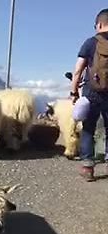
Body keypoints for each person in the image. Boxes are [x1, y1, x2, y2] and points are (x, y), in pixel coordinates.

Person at [71, 9, 108, 181]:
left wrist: (74, 92)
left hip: (92, 94)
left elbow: (78, 70)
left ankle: (87, 167)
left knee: (88, 130)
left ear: (99, 24)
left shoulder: (90, 43)